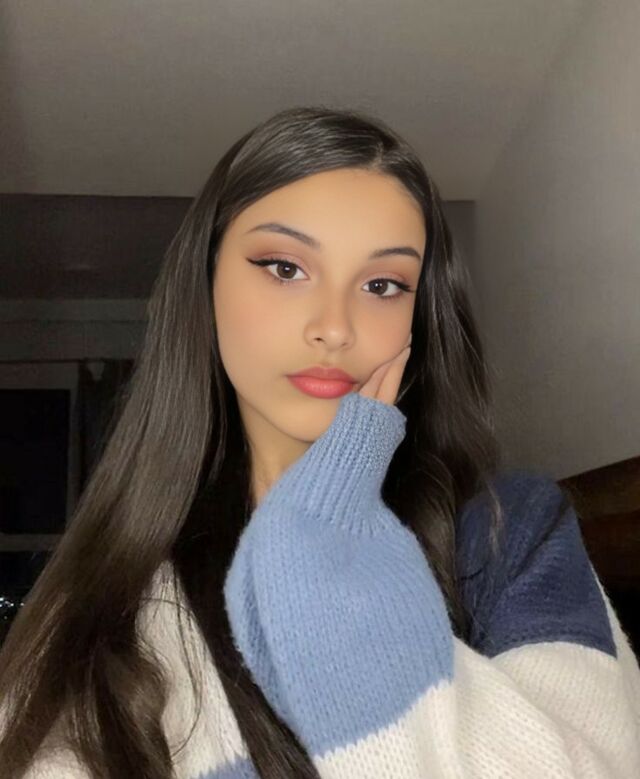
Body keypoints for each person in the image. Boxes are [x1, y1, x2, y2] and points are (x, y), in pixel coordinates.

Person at [0, 105, 638, 778]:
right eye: (284, 268)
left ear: (418, 318)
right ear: (205, 285)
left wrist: (320, 541)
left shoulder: (511, 532)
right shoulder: (97, 603)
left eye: (383, 284)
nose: (335, 326)